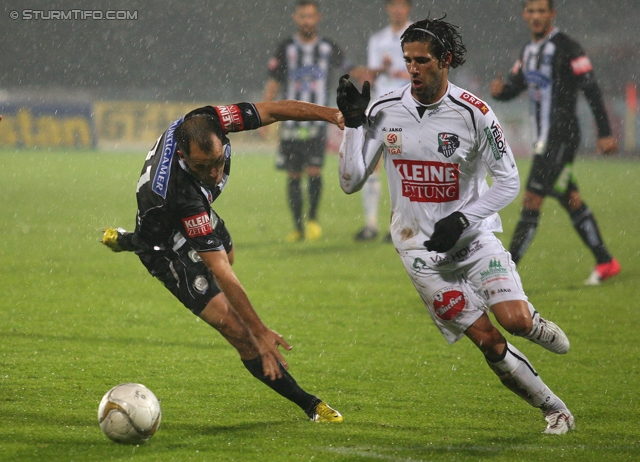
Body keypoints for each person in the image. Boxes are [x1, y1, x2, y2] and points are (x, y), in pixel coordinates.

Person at [337, 16, 575, 434]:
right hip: (419, 253)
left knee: (514, 323)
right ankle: (555, 409)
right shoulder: (384, 109)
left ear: (445, 61)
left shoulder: (476, 113)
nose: (412, 68)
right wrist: (354, 127)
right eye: (407, 60)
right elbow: (350, 182)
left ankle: (532, 321)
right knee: (489, 342)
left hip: (472, 239)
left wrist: (464, 217)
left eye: (422, 60)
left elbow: (509, 182)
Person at [101, 99, 344, 423]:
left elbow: (272, 111)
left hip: (195, 215)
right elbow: (221, 272)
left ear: (222, 134)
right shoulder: (181, 193)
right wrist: (259, 331)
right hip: (166, 246)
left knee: (227, 255)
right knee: (237, 328)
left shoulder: (209, 120)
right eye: (203, 167)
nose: (215, 174)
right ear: (183, 156)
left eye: (217, 161)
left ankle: (129, 238)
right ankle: (310, 405)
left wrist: (333, 115)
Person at [490, 0, 620, 285]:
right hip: (543, 138)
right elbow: (515, 85)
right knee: (569, 197)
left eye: (542, 11)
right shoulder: (528, 51)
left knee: (532, 199)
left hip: (562, 136)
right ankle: (606, 261)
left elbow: (592, 89)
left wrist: (605, 132)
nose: (536, 17)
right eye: (531, 11)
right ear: (525, 15)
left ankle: (505, 274)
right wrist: (500, 92)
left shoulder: (567, 47)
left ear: (552, 14)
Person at [263, 0, 356, 242]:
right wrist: (265, 116)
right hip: (291, 123)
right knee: (293, 174)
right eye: (303, 16)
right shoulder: (285, 48)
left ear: (318, 18)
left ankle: (312, 219)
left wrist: (371, 75)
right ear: (296, 18)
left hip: (316, 121)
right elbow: (273, 81)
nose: (307, 20)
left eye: (311, 16)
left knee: (314, 171)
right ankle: (297, 228)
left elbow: (351, 70)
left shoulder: (328, 47)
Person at [354, 0, 412, 242]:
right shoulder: (378, 39)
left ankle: (400, 224)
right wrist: (380, 68)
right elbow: (370, 74)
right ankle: (370, 225)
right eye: (393, 5)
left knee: (401, 165)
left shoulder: (417, 35)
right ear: (388, 8)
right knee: (371, 162)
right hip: (379, 105)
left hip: (406, 105)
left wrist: (403, 72)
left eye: (402, 5)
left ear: (408, 8)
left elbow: (427, 71)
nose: (397, 10)